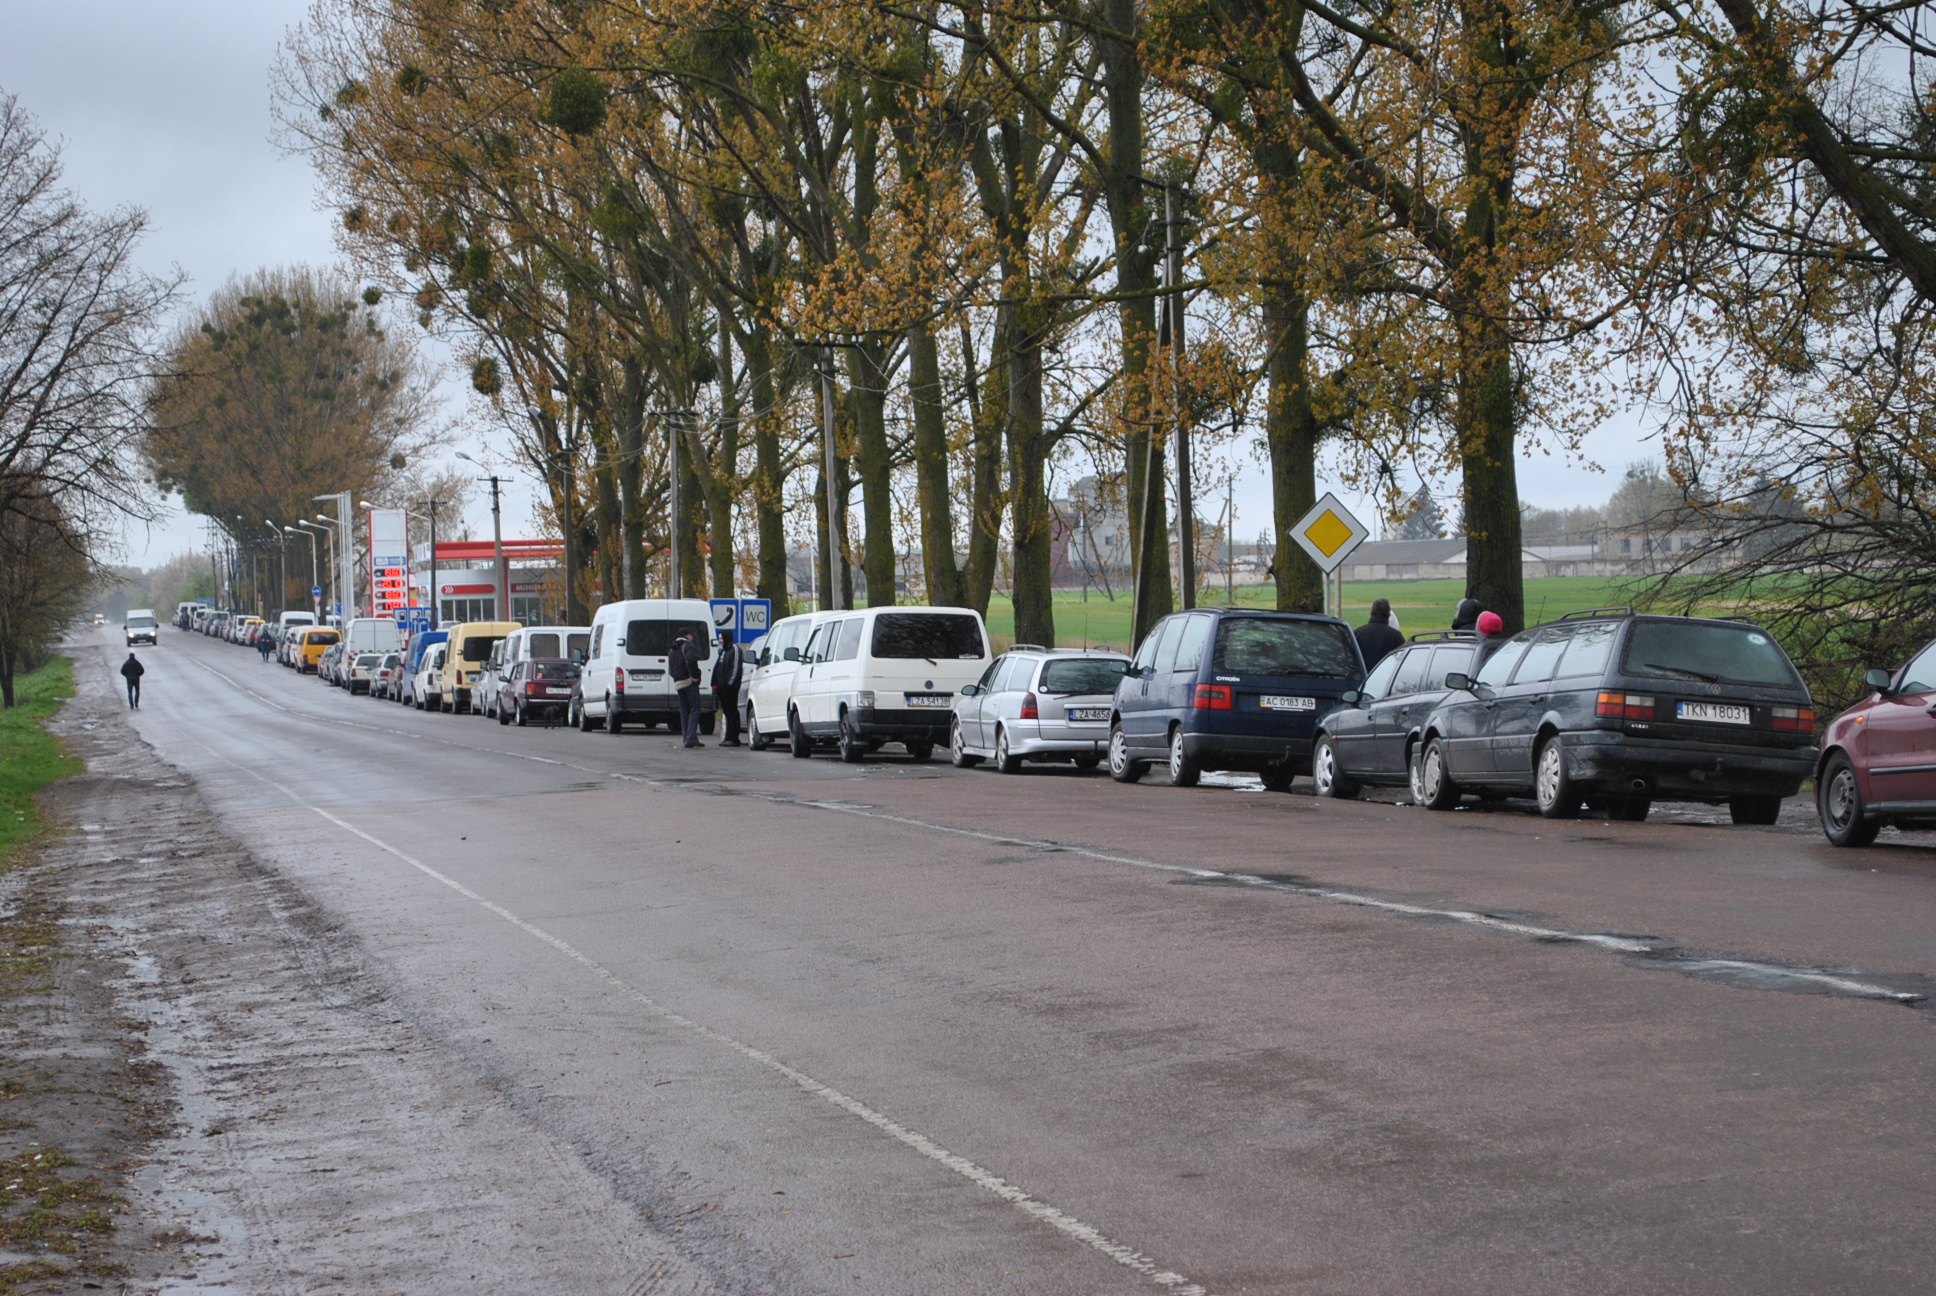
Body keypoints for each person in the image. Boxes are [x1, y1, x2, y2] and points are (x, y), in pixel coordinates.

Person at [671, 626, 704, 748]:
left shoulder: (673, 648)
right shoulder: (688, 646)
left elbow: (670, 668)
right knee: (695, 710)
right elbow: (691, 660)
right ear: (687, 635)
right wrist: (695, 676)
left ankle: (687, 737)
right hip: (689, 681)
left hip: (678, 683)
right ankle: (690, 738)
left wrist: (676, 677)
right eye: (691, 635)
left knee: (684, 711)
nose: (692, 637)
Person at [712, 628, 745, 747]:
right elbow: (718, 668)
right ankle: (728, 737)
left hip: (730, 688)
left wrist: (730, 684)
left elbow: (735, 669)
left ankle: (733, 737)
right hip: (721, 688)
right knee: (726, 712)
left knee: (732, 712)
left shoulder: (735, 650)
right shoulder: (723, 651)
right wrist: (714, 683)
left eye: (721, 638)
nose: (720, 640)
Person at [1354, 598, 1404, 671]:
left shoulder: (1357, 633)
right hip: (1386, 679)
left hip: (1361, 679)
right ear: (1389, 615)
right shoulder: (1396, 636)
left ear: (1371, 613)